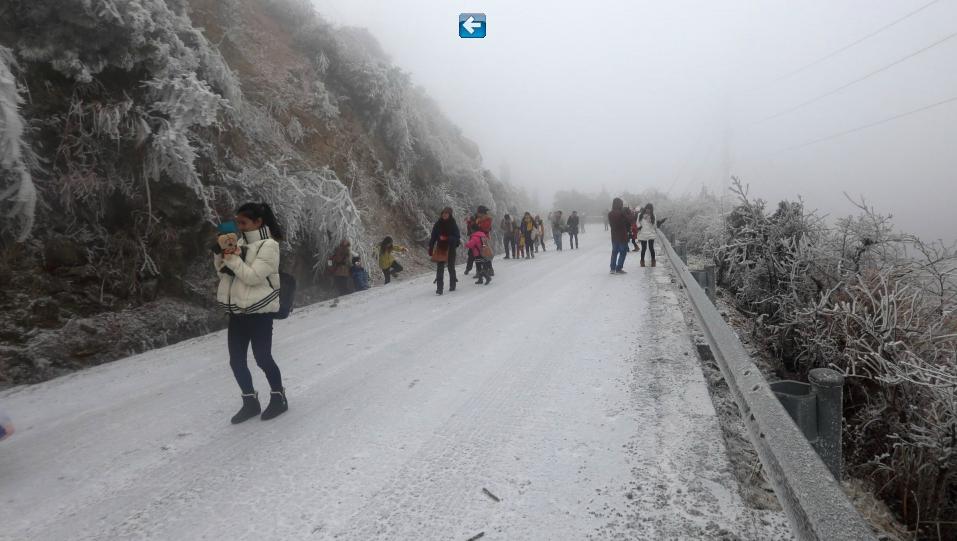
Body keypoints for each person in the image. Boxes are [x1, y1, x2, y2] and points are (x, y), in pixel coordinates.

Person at [214, 202, 288, 424]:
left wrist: (233, 257)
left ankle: (278, 397)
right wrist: (220, 255)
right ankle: (250, 401)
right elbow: (224, 275)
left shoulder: (269, 245)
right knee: (236, 361)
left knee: (262, 357)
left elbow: (254, 277)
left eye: (243, 223)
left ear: (258, 222)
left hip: (260, 312)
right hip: (237, 311)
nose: (239, 227)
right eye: (237, 222)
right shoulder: (237, 243)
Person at [429, 207, 461, 295]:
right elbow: (433, 236)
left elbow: (457, 238)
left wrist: (447, 238)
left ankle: (452, 284)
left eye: (446, 213)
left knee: (451, 267)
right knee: (440, 268)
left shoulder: (453, 224)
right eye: (443, 213)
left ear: (450, 215)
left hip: (450, 248)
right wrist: (431, 247)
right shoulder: (438, 224)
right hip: (441, 248)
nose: (444, 215)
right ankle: (439, 288)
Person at [608, 197, 631, 274]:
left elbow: (612, 224)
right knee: (622, 252)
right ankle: (618, 268)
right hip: (622, 236)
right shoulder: (622, 213)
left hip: (614, 236)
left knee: (614, 252)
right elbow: (629, 221)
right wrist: (628, 212)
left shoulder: (610, 213)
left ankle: (612, 268)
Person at [637, 203, 658, 267]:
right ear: (645, 208)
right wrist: (639, 227)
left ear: (651, 210)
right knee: (644, 248)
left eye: (649, 209)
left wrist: (654, 225)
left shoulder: (653, 215)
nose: (648, 210)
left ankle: (653, 262)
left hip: (651, 233)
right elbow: (637, 222)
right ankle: (642, 261)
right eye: (647, 208)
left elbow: (654, 225)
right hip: (643, 233)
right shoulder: (640, 215)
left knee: (651, 248)